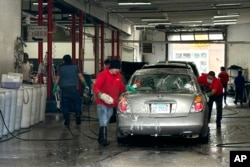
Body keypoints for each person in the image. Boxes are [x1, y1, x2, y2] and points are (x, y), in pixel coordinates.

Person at [93, 59, 135, 146]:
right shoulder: (103, 75)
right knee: (103, 119)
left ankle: (100, 138)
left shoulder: (118, 76)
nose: (118, 71)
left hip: (112, 103)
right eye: (116, 69)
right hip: (102, 102)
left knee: (106, 120)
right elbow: (96, 87)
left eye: (119, 69)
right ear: (111, 68)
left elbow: (121, 88)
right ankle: (103, 140)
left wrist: (128, 87)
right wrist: (101, 95)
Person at [53, 54, 88, 128]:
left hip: (65, 89)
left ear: (64, 60)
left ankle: (67, 119)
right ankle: (78, 116)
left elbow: (57, 78)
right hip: (74, 88)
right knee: (77, 102)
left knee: (65, 105)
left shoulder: (61, 68)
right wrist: (86, 85)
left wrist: (54, 87)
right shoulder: (76, 67)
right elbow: (80, 76)